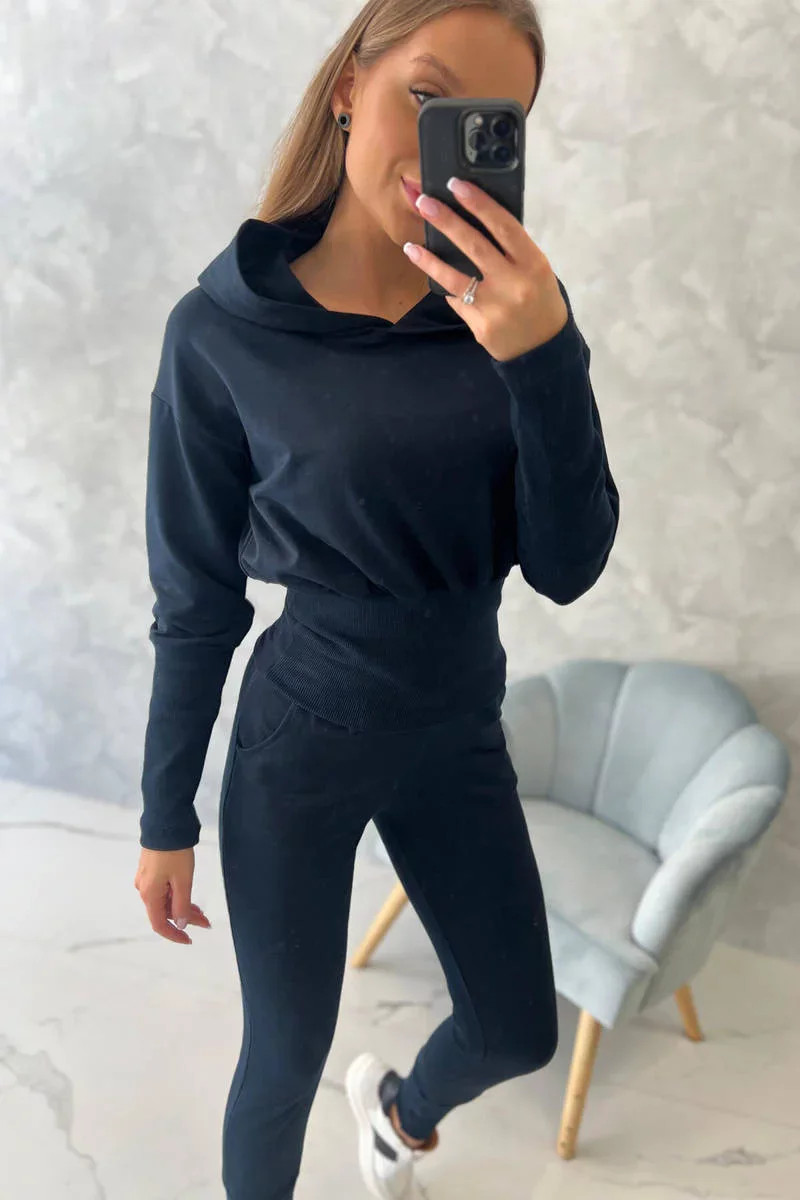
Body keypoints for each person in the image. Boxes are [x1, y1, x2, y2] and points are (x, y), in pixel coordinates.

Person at [133, 0, 620, 1196]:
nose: (446, 136)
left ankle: (398, 1117)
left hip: (455, 729)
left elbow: (565, 566)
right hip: (300, 737)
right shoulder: (219, 334)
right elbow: (195, 597)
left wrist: (543, 356)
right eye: (426, 93)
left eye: (490, 119)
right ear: (350, 84)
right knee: (282, 1057)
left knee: (515, 1028)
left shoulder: (513, 314)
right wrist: (162, 814)